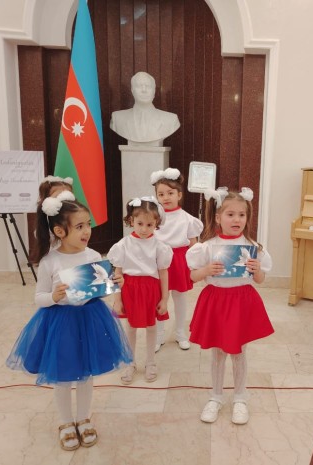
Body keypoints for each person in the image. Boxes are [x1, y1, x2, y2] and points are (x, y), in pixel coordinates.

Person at [6, 191, 133, 451]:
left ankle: (83, 418)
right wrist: (53, 296)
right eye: (79, 226)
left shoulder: (93, 256)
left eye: (88, 224)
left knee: (86, 375)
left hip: (90, 320)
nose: (87, 231)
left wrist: (114, 284)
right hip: (61, 324)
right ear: (60, 231)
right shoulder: (49, 262)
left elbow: (99, 291)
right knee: (63, 376)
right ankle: (65, 422)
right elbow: (39, 298)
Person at [186, 187, 274, 425]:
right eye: (231, 214)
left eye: (241, 215)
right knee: (218, 352)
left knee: (239, 352)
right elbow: (193, 276)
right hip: (216, 301)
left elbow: (260, 280)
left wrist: (256, 270)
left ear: (247, 217)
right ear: (218, 217)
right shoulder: (207, 246)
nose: (237, 220)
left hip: (241, 302)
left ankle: (240, 398)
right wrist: (206, 270)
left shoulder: (253, 246)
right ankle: (215, 397)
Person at [107, 197, 173, 384]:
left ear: (156, 224)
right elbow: (117, 273)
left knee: (152, 326)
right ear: (131, 221)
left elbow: (163, 273)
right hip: (130, 289)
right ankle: (130, 362)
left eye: (150, 225)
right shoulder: (123, 245)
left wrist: (165, 298)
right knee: (131, 327)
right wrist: (118, 299)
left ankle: (151, 362)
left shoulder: (159, 247)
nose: (144, 229)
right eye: (140, 224)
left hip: (151, 290)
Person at [151, 167, 203, 352]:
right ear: (157, 197)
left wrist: (195, 267)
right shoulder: (154, 218)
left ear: (179, 195)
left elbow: (194, 245)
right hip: (158, 262)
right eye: (161, 194)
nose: (166, 197)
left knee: (180, 297)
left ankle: (181, 333)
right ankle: (158, 335)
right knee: (159, 298)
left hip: (180, 260)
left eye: (170, 193)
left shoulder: (188, 219)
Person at [110, 71, 180, 145]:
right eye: (139, 86)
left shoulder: (171, 120)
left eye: (148, 86)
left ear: (154, 91)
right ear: (132, 90)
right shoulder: (117, 118)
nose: (144, 90)